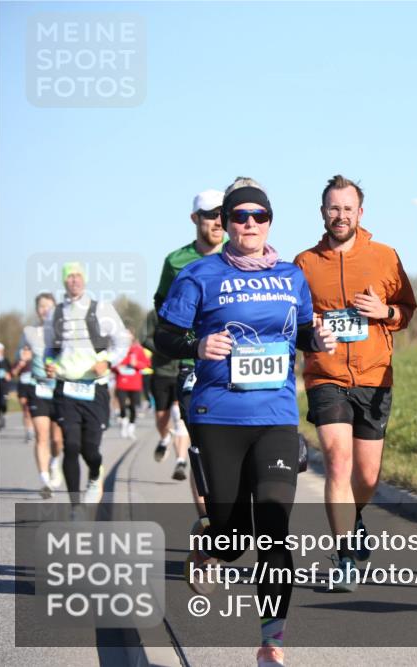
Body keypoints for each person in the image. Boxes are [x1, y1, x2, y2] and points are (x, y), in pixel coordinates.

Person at [155, 177, 334, 667]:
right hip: (218, 414)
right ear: (226, 223)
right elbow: (164, 337)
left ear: (270, 221)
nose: (250, 224)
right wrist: (198, 345)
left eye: (259, 216)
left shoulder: (291, 275)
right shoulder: (199, 274)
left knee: (274, 529)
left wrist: (317, 341)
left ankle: (271, 643)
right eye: (240, 216)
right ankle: (209, 539)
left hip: (275, 416)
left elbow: (300, 330)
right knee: (233, 541)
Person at [293, 174, 417, 591]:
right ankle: (344, 554)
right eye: (333, 208)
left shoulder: (384, 256)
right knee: (338, 462)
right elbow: (291, 318)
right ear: (322, 212)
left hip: (373, 377)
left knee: (366, 477)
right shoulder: (305, 263)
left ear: (360, 213)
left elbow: (406, 310)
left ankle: (356, 516)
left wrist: (385, 312)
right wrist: (308, 327)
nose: (340, 215)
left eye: (348, 208)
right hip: (325, 375)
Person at [143, 188, 225, 489]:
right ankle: (209, 523)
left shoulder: (239, 253)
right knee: (201, 447)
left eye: (222, 214)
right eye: (210, 215)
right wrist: (184, 334)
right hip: (192, 362)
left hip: (235, 363)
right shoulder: (176, 260)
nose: (218, 221)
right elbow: (161, 307)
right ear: (195, 218)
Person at [44, 262, 130, 507]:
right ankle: (75, 506)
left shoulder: (101, 309)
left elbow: (121, 341)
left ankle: (95, 474)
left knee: (89, 449)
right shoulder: (55, 313)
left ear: (84, 279)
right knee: (70, 445)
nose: (74, 280)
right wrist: (50, 363)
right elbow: (50, 349)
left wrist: (108, 361)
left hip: (95, 388)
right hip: (66, 387)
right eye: (69, 276)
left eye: (78, 276)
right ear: (64, 281)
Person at [18, 293, 65, 498]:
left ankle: (55, 462)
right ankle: (45, 480)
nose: (45, 309)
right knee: (41, 435)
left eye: (49, 306)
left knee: (57, 440)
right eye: (41, 306)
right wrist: (23, 356)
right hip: (37, 387)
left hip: (59, 389)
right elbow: (20, 354)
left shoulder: (62, 332)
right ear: (37, 310)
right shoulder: (29, 332)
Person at [114, 330, 151, 439]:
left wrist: (137, 364)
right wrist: (117, 367)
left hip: (135, 383)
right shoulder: (118, 350)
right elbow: (111, 364)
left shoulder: (138, 350)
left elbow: (146, 364)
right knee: (122, 405)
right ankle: (123, 422)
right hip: (121, 382)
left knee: (134, 407)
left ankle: (131, 427)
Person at [11, 343, 36, 442]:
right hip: (22, 386)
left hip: (33, 387)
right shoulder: (19, 362)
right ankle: (29, 431)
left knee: (32, 410)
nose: (25, 352)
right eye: (24, 350)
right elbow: (13, 373)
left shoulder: (35, 362)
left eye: (27, 350)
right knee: (26, 410)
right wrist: (19, 366)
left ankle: (34, 428)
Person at [0, 343, 11, 432]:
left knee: (3, 403)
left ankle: (3, 415)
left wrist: (8, 374)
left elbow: (11, 372)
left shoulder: (5, 360)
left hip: (4, 385)